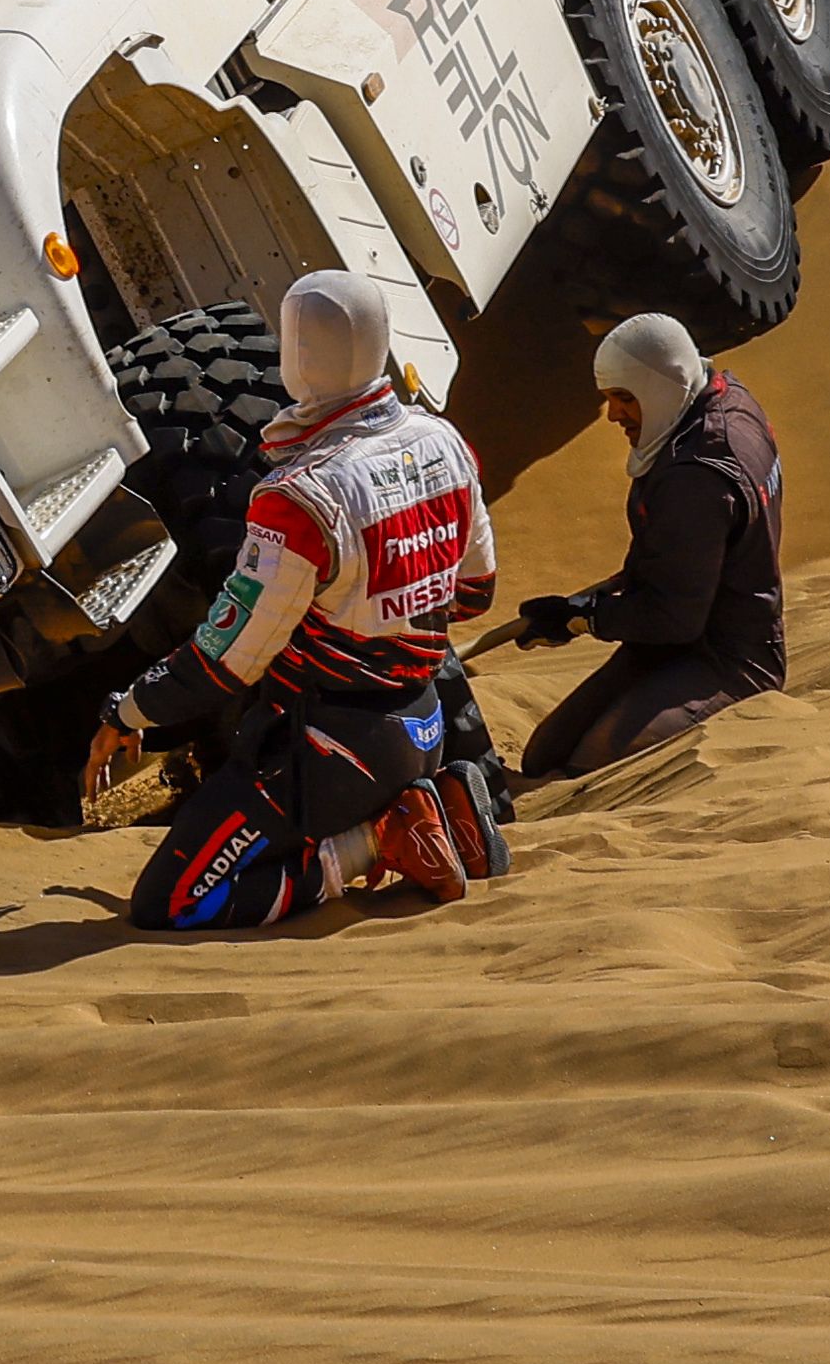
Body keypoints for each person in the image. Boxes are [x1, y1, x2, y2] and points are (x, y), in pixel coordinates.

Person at [95, 270, 505, 927]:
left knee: (171, 903)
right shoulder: (445, 443)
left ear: (295, 357)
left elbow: (227, 661)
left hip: (331, 753)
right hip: (425, 722)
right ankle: (439, 807)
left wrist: (129, 711)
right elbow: (476, 594)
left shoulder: (300, 496)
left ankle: (386, 836)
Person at [509, 314, 786, 779]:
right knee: (542, 757)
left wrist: (584, 619)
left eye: (624, 398)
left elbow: (674, 617)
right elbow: (677, 564)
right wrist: (578, 606)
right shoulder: (722, 397)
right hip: (672, 638)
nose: (614, 414)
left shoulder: (695, 479)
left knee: (585, 770)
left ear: (661, 387)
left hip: (728, 658)